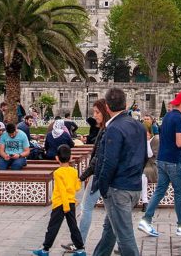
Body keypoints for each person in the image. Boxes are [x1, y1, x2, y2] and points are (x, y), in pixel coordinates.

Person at [138, 91, 181, 238]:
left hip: (161, 159)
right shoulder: (180, 118)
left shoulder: (167, 116)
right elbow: (179, 143)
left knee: (160, 191)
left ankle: (146, 220)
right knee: (179, 193)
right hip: (174, 160)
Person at [92, 88, 146, 256]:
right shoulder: (138, 125)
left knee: (125, 237)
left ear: (107, 107)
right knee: (110, 229)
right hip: (134, 185)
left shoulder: (114, 128)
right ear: (126, 104)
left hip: (119, 188)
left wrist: (102, 185)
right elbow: (144, 156)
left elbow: (110, 161)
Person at [62, 98, 111, 252]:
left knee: (87, 207)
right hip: (106, 175)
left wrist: (82, 176)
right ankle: (123, 245)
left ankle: (79, 242)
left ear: (105, 111)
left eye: (97, 112)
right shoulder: (106, 128)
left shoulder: (107, 130)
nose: (94, 115)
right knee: (113, 214)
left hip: (101, 175)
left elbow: (98, 158)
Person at [31, 145, 86, 256]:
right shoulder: (73, 171)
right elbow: (77, 188)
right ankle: (80, 250)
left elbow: (62, 191)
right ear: (70, 158)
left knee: (53, 227)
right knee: (73, 226)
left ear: (57, 158)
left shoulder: (58, 173)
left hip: (60, 204)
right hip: (71, 203)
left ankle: (45, 250)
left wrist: (65, 207)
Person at [140, 118, 160, 209]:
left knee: (143, 175)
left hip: (152, 166)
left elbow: (150, 155)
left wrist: (147, 142)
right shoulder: (140, 140)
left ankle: (145, 201)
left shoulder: (156, 139)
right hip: (142, 165)